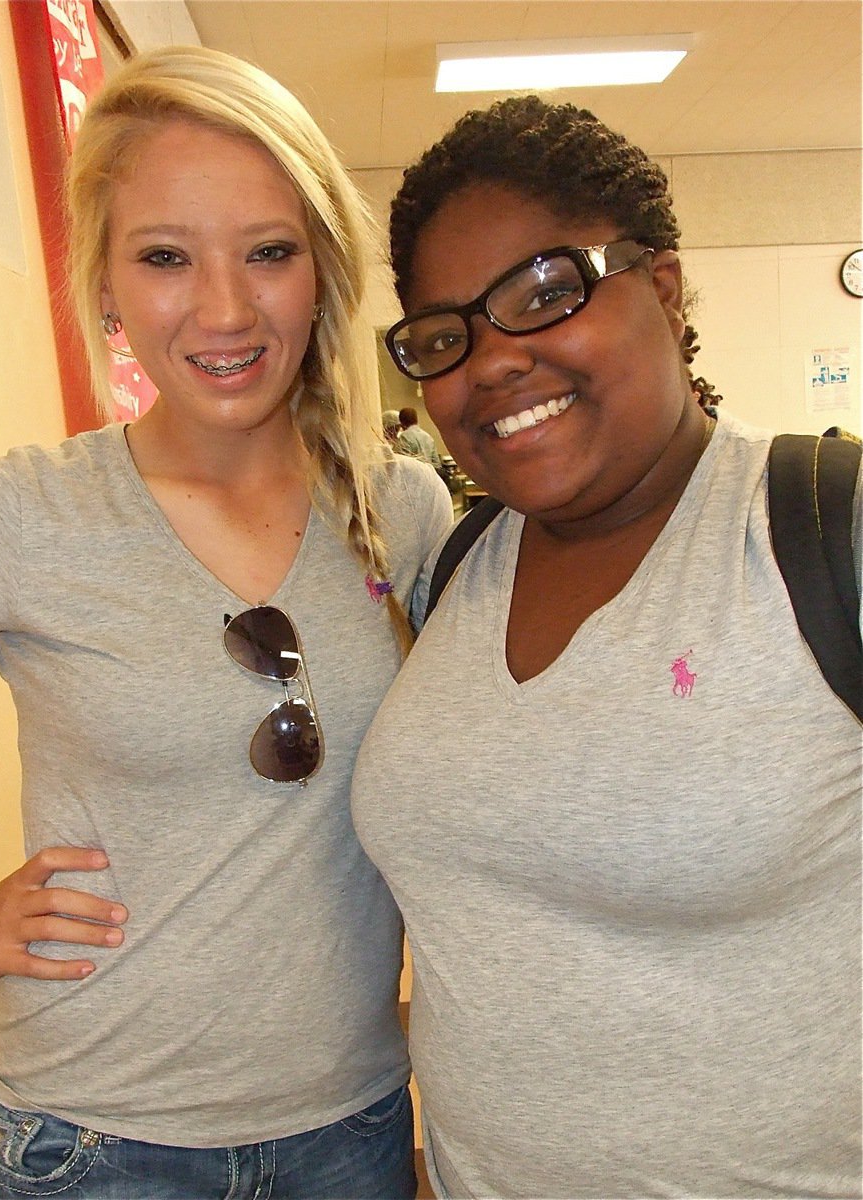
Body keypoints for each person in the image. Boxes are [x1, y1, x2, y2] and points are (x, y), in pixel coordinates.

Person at [0, 46, 451, 1200]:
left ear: (323, 272)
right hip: (92, 1143)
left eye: (268, 252)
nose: (224, 308)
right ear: (104, 282)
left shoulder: (399, 509)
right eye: (165, 257)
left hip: (349, 1127)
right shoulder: (21, 515)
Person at [352, 96, 862, 1198]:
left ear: (664, 289)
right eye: (446, 334)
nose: (490, 362)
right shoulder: (457, 565)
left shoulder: (822, 532)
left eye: (545, 292)